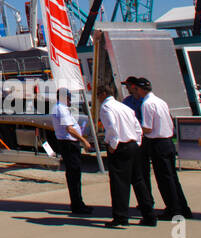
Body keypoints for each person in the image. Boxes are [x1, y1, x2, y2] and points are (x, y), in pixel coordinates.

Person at [132, 77, 193, 218]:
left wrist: (136, 129)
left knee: (164, 179)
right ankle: (183, 207)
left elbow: (147, 128)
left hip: (157, 143)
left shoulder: (147, 104)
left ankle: (173, 209)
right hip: (168, 141)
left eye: (136, 89)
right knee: (172, 177)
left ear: (140, 89)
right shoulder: (161, 101)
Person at [97, 84, 155, 228]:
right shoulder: (125, 107)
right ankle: (149, 215)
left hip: (121, 146)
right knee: (139, 181)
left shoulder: (106, 107)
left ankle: (120, 217)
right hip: (133, 145)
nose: (97, 98)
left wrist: (112, 145)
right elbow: (137, 127)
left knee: (119, 183)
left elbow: (111, 128)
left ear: (103, 94)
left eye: (98, 94)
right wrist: (137, 142)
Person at [50, 88, 93, 215]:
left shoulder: (61, 108)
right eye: (69, 98)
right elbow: (69, 129)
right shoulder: (61, 109)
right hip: (69, 144)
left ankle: (78, 203)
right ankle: (77, 205)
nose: (70, 100)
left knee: (74, 174)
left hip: (69, 144)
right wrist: (83, 140)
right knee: (74, 174)